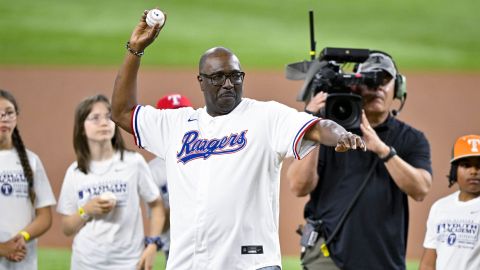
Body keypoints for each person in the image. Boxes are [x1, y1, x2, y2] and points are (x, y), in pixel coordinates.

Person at [111, 10, 365, 270]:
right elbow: (121, 112)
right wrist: (135, 50)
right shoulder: (176, 125)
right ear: (201, 81)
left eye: (235, 76)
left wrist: (340, 134)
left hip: (252, 263)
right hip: (188, 264)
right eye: (218, 77)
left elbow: (317, 126)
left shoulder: (265, 116)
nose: (229, 84)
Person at [287, 51, 433, 270]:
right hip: (329, 257)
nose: (378, 89)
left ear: (398, 88)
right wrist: (313, 126)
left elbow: (421, 189)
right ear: (355, 86)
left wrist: (383, 150)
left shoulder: (411, 139)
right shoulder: (330, 132)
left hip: (385, 260)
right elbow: (298, 186)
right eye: (370, 81)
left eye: (384, 81)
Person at [56, 94, 166, 270]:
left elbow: (156, 206)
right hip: (86, 263)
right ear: (82, 128)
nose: (104, 122)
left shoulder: (133, 162)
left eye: (108, 116)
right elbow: (67, 227)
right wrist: (86, 210)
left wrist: (153, 244)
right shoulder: (75, 171)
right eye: (95, 118)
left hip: (130, 263)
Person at [0, 89, 56, 269]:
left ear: (16, 117)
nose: (4, 118)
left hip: (23, 261)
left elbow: (44, 216)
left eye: (9, 112)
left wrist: (22, 237)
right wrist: (2, 248)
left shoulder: (31, 160)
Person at [419, 134, 480, 270]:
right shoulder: (440, 207)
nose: (474, 171)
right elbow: (428, 263)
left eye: (479, 166)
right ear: (454, 170)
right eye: (466, 165)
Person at [148, 93, 193, 261]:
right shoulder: (153, 171)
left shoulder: (207, 154)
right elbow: (159, 221)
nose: (180, 122)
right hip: (177, 249)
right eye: (173, 117)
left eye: (184, 115)